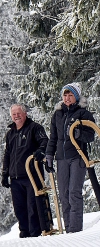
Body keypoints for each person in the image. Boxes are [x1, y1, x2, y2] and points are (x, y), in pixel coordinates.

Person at [45, 83, 96, 233]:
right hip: (61, 158)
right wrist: (49, 155)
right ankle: (68, 230)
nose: (67, 98)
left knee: (74, 192)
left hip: (77, 157)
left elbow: (91, 136)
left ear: (76, 96)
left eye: (70, 95)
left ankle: (75, 230)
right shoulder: (58, 114)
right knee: (64, 194)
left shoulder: (83, 113)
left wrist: (79, 133)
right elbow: (53, 137)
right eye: (65, 95)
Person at [1, 104, 53, 237]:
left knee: (33, 207)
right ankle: (24, 235)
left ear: (25, 114)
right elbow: (8, 154)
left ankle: (36, 235)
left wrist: (41, 150)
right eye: (14, 114)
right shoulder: (10, 133)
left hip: (32, 175)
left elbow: (44, 141)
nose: (16, 116)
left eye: (19, 113)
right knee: (20, 209)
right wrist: (5, 173)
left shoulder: (34, 128)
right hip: (15, 177)